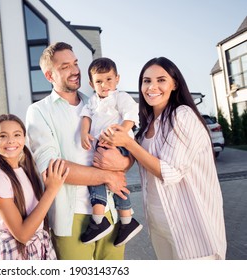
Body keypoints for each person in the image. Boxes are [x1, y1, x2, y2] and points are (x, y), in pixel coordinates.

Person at [99, 57, 227, 260]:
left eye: (161, 80)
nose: (152, 87)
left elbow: (170, 172)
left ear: (174, 84)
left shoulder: (182, 115)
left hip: (192, 228)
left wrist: (128, 143)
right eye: (146, 81)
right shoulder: (148, 123)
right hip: (160, 226)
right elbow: (141, 159)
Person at [26, 42, 133, 260]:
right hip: (71, 215)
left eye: (75, 63)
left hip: (112, 210)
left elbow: (127, 148)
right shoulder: (38, 112)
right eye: (65, 66)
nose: (75, 70)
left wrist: (123, 163)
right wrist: (108, 176)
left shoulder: (96, 101)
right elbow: (51, 169)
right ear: (49, 76)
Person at [0, 114, 69, 260]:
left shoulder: (23, 169)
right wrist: (52, 190)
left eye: (17, 134)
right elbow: (22, 235)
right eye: (3, 136)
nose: (11, 140)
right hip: (15, 252)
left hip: (38, 246)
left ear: (24, 138)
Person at [80, 57, 142, 246]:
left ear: (117, 79)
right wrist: (84, 132)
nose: (104, 85)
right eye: (99, 81)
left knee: (112, 176)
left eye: (108, 79)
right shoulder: (92, 101)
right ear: (91, 83)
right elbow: (85, 116)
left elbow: (131, 115)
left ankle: (116, 221)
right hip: (101, 145)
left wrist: (121, 133)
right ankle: (112, 221)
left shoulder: (120, 97)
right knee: (101, 177)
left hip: (118, 143)